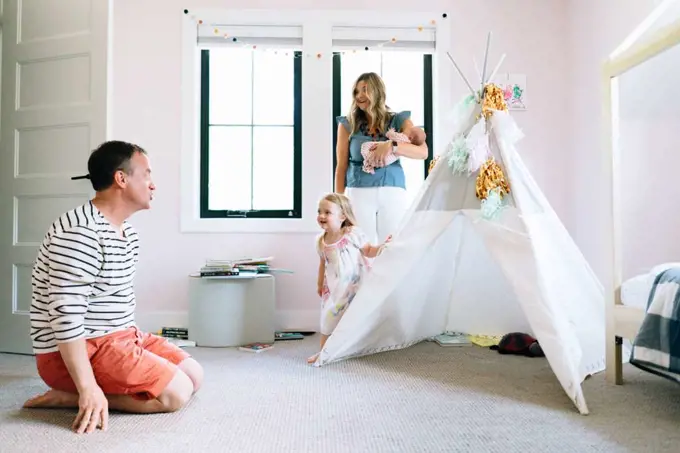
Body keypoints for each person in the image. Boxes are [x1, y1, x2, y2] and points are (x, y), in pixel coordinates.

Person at [23, 140, 204, 434]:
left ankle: (88, 390)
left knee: (193, 374)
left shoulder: (126, 232)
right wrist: (87, 388)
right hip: (77, 349)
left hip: (119, 337)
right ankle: (75, 395)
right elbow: (65, 318)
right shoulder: (79, 232)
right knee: (177, 393)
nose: (153, 185)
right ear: (121, 179)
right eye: (146, 174)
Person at [335, 72, 428, 244]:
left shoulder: (398, 120)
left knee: (392, 245)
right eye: (356, 91)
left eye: (365, 90)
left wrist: (391, 145)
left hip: (392, 190)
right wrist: (337, 204)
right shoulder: (347, 124)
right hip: (358, 191)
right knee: (360, 246)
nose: (359, 95)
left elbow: (423, 152)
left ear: (377, 92)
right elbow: (341, 166)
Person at [307, 193, 391, 364]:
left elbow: (368, 250)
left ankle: (359, 346)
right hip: (334, 288)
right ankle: (324, 352)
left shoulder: (352, 234)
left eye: (327, 212)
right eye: (319, 211)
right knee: (328, 319)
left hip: (356, 285)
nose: (321, 216)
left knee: (357, 317)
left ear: (342, 216)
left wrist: (383, 247)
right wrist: (319, 284)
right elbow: (323, 263)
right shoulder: (320, 241)